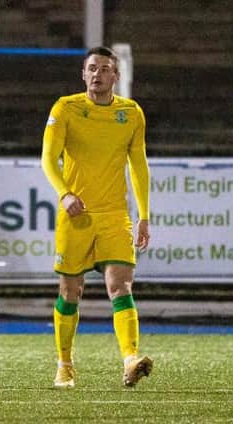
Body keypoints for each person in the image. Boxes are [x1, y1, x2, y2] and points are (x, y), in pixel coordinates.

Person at [41, 46, 153, 389]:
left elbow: (139, 165)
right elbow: (48, 158)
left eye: (105, 69)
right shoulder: (66, 108)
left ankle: (130, 358)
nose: (97, 74)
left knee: (120, 286)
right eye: (92, 68)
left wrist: (144, 215)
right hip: (76, 215)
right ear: (83, 73)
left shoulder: (131, 113)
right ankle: (65, 364)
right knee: (70, 290)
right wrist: (65, 193)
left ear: (115, 76)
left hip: (115, 214)